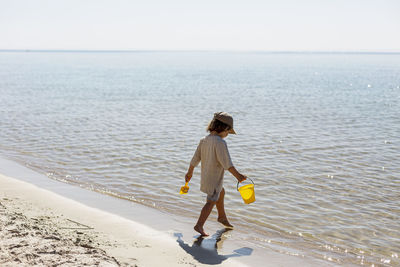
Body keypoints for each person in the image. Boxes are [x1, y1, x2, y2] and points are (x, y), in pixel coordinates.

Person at [185, 112, 247, 236]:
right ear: (223, 128)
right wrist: (238, 176)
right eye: (228, 132)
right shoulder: (220, 142)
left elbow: (195, 158)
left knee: (221, 192)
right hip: (214, 179)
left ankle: (221, 216)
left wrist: (189, 172)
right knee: (210, 201)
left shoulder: (204, 140)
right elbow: (227, 164)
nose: (227, 135)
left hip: (206, 177)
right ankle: (199, 225)